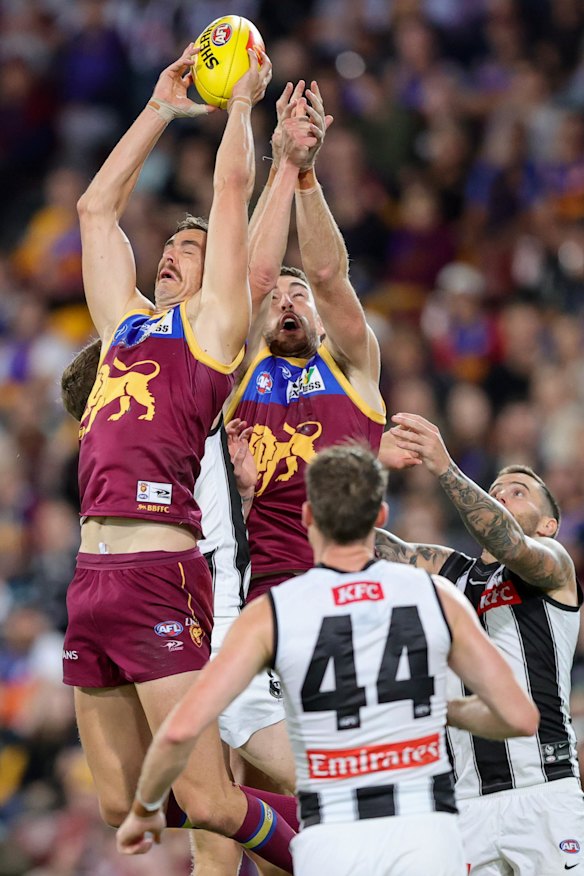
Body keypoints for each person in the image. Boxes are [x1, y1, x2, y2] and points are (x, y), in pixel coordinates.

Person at [60, 41, 298, 875]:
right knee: (123, 807)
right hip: (91, 579)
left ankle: (351, 843)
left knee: (208, 806)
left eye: (190, 249)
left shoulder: (215, 329)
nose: (171, 251)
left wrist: (239, 107)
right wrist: (161, 107)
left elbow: (232, 191)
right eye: (169, 244)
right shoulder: (123, 326)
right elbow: (96, 209)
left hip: (162, 574)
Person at [115, 443, 539, 875]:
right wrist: (447, 712)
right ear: (380, 518)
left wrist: (146, 808)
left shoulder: (274, 612)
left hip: (333, 840)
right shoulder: (436, 596)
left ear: (307, 517)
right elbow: (520, 717)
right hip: (426, 835)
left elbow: (182, 728)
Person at [376, 411, 584, 875]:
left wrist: (446, 468)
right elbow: (356, 542)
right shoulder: (448, 571)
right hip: (465, 802)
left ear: (549, 525)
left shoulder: (553, 565)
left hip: (544, 791)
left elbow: (510, 543)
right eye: (495, 491)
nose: (501, 495)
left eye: (518, 491)